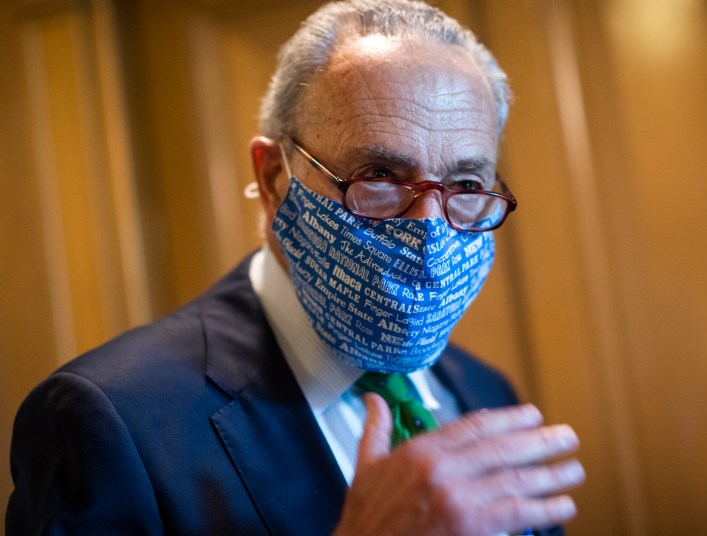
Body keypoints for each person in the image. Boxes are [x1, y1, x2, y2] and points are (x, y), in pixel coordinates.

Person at [6, 1, 584, 534]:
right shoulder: (112, 423)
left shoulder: (488, 395)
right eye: (380, 175)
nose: (430, 231)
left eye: (465, 184)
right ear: (273, 178)